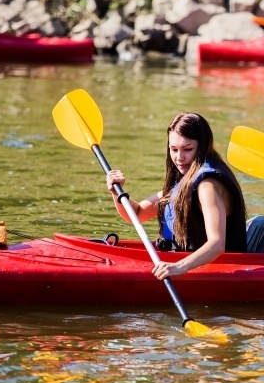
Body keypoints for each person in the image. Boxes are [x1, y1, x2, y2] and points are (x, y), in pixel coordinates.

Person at [106, 113, 248, 281]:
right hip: (181, 262)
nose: (179, 158)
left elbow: (217, 244)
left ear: (202, 146)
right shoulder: (184, 181)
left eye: (188, 149)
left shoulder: (207, 186)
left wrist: (179, 266)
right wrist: (117, 193)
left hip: (222, 269)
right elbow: (136, 214)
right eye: (174, 149)